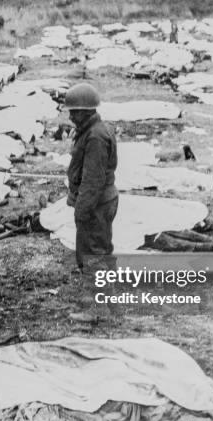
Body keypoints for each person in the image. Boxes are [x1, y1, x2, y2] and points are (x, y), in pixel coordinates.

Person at [65, 83, 119, 323]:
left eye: (74, 112)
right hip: (103, 200)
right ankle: (111, 301)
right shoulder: (93, 129)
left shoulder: (95, 136)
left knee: (90, 254)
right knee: (103, 250)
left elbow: (92, 180)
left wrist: (81, 210)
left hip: (95, 203)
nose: (70, 116)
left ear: (85, 111)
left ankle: (97, 309)